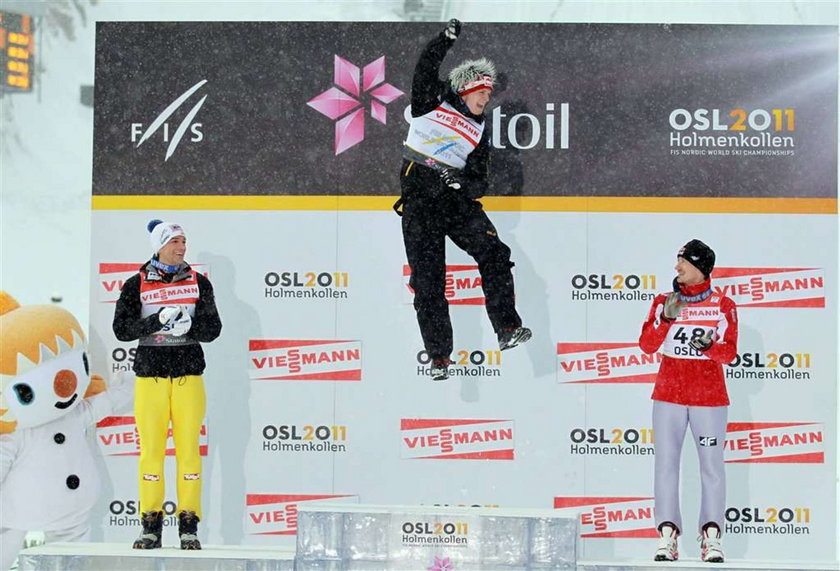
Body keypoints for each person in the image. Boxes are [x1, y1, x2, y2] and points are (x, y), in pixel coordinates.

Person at [394, 18, 531, 381]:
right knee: (428, 281)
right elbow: (425, 67)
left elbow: (479, 181)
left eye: (489, 95)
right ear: (467, 89)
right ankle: (439, 356)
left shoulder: (480, 128)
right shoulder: (430, 101)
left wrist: (462, 184)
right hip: (421, 198)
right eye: (482, 94)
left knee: (495, 254)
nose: (487, 100)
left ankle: (507, 328)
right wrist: (444, 40)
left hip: (455, 202)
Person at [112, 220, 221, 550]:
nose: (182, 247)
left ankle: (189, 525)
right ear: (159, 244)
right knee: (151, 455)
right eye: (175, 241)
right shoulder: (136, 283)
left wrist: (190, 326)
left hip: (188, 375)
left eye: (184, 241)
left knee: (189, 453)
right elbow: (122, 329)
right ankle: (150, 526)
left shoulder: (199, 283)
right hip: (150, 377)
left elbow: (213, 329)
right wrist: (155, 321)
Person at [638, 239, 738, 563]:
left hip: (708, 399)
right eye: (677, 260)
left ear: (700, 267)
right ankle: (667, 537)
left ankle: (712, 538)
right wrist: (665, 319)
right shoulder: (664, 301)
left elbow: (730, 352)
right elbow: (647, 346)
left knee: (712, 468)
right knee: (666, 466)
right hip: (668, 395)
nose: (677, 267)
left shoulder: (724, 304)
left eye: (683, 262)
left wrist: (708, 347)